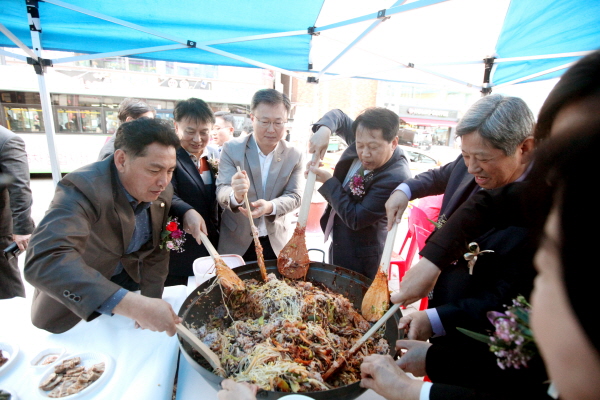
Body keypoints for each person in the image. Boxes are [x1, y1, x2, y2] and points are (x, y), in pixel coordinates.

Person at [24, 118, 182, 335]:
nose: (163, 181)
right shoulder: (83, 188)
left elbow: (156, 250)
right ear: (121, 160)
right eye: (154, 170)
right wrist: (132, 305)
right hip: (78, 304)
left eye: (170, 170)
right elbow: (45, 259)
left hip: (128, 286)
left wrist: (150, 299)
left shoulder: (162, 191)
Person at [308, 108, 411, 279]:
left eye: (372, 147)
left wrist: (328, 182)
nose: (364, 153)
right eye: (359, 145)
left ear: (393, 143)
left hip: (361, 255)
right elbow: (339, 116)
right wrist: (325, 130)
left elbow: (356, 218)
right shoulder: (364, 135)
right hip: (340, 240)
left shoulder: (395, 177)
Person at [216, 89, 303, 261]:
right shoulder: (232, 149)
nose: (271, 129)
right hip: (237, 241)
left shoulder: (294, 155)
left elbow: (295, 196)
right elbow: (221, 190)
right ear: (252, 118)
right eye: (265, 121)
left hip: (275, 242)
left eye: (278, 122)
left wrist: (271, 206)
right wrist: (236, 195)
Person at [165, 98, 220, 286]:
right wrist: (187, 211)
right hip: (182, 251)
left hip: (213, 247)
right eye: (190, 132)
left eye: (204, 132)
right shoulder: (168, 156)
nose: (198, 139)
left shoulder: (215, 155)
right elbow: (166, 194)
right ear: (176, 126)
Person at [0, 125, 35, 299]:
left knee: (6, 288)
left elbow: (19, 187)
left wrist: (22, 229)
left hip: (1, 229)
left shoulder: (6, 140)